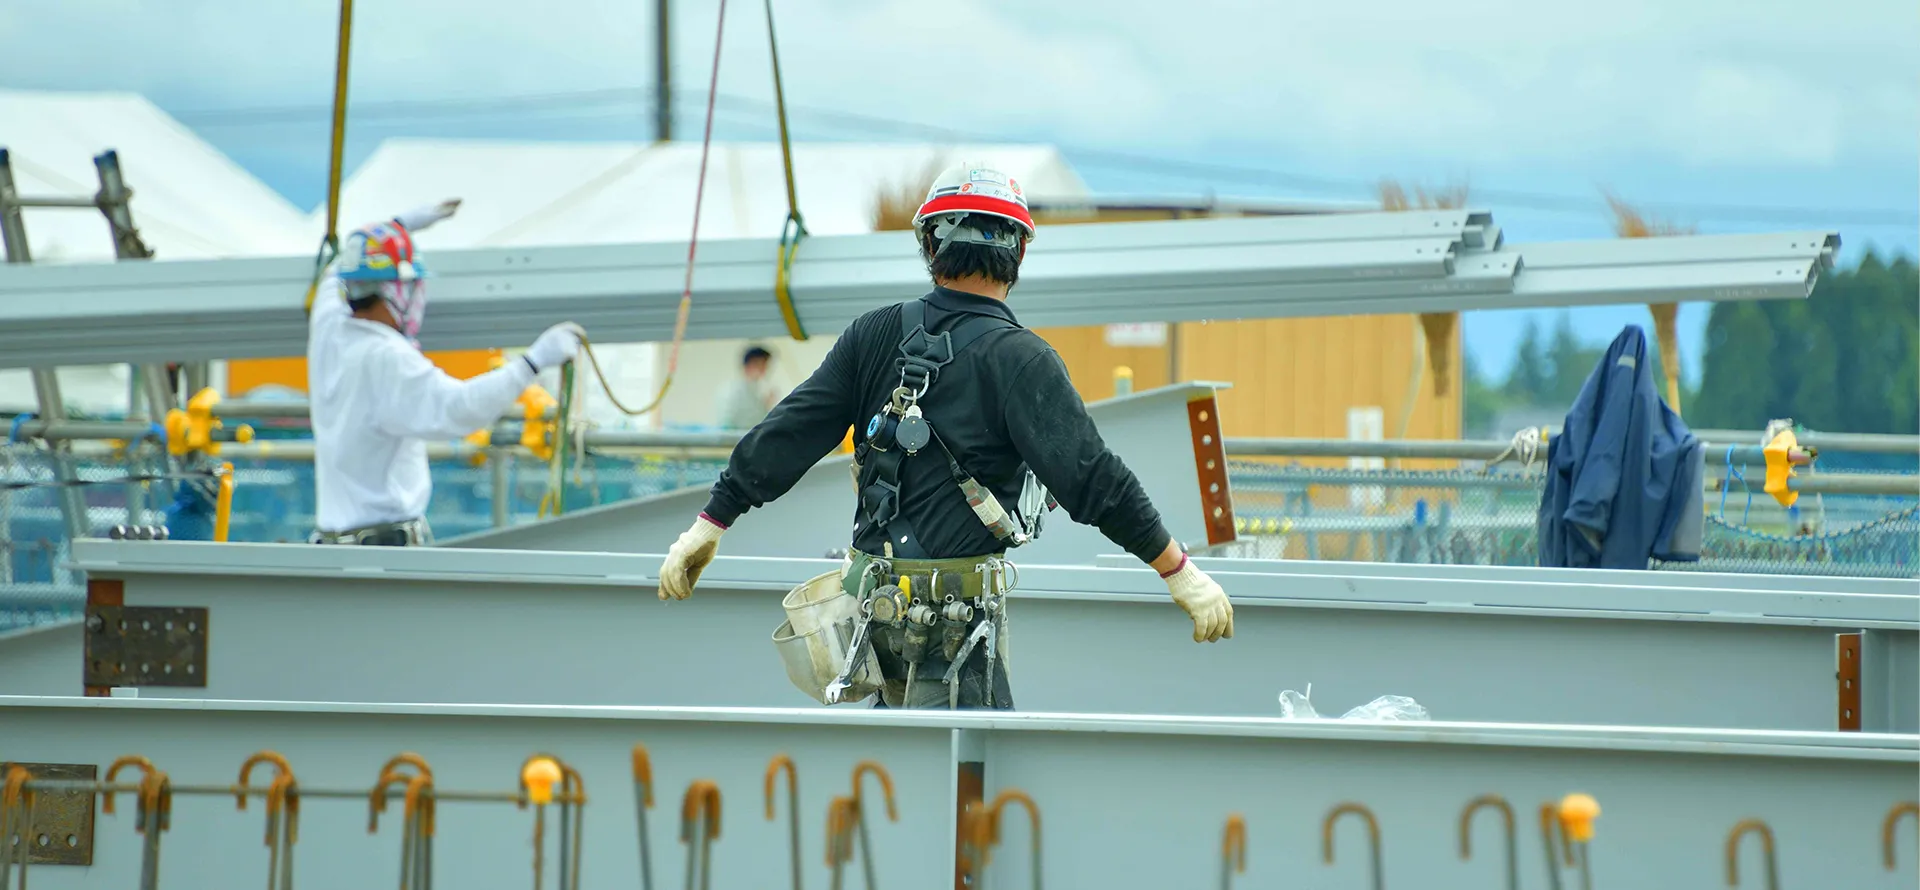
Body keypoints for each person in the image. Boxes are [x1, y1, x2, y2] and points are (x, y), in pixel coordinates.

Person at [655, 165, 1234, 710]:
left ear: (930, 245)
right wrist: (1177, 570)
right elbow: (1093, 480)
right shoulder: (1022, 361)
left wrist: (711, 522)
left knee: (892, 788)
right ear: (1020, 251)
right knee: (966, 798)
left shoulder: (873, 335)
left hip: (868, 628)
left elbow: (789, 432)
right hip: (959, 636)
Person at [307, 199, 586, 546]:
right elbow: (460, 408)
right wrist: (533, 362)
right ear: (395, 290)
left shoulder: (329, 329)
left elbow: (335, 272)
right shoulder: (388, 358)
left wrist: (395, 226)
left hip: (333, 549)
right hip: (381, 558)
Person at [715, 346, 777, 430]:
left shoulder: (757, 393)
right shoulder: (731, 391)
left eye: (765, 366)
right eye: (760, 365)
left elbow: (759, 422)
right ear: (749, 365)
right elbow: (726, 423)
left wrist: (767, 406)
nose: (764, 370)